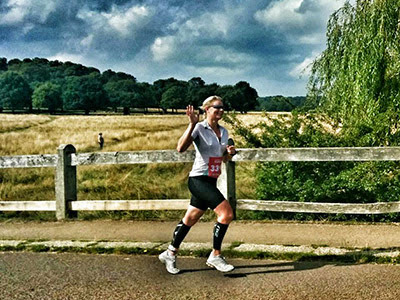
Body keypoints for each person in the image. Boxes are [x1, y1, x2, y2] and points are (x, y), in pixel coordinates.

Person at [159, 95, 237, 275]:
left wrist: (229, 153)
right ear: (207, 109)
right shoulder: (199, 128)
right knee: (226, 214)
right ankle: (215, 255)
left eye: (223, 107)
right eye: (217, 107)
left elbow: (221, 158)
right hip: (198, 180)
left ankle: (170, 253)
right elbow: (180, 148)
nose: (221, 110)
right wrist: (192, 124)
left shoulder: (224, 132)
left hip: (211, 179)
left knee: (191, 218)